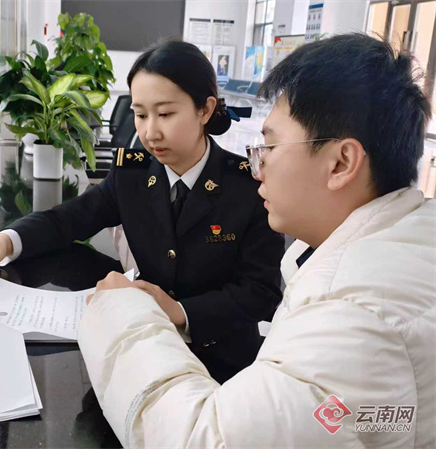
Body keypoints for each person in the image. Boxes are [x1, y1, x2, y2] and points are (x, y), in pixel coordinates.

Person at [78, 33, 435, 447]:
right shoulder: (403, 245)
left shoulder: (354, 316)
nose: (258, 167)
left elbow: (202, 439)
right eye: (141, 114)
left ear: (341, 162)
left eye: (271, 145)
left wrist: (122, 311)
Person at [0, 40, 285, 383]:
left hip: (222, 366)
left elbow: (261, 292)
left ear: (204, 110)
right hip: (142, 350)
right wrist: (6, 241)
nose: (150, 132)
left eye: (165, 114)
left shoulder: (249, 186)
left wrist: (179, 311)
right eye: (141, 115)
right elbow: (66, 220)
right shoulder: (131, 176)